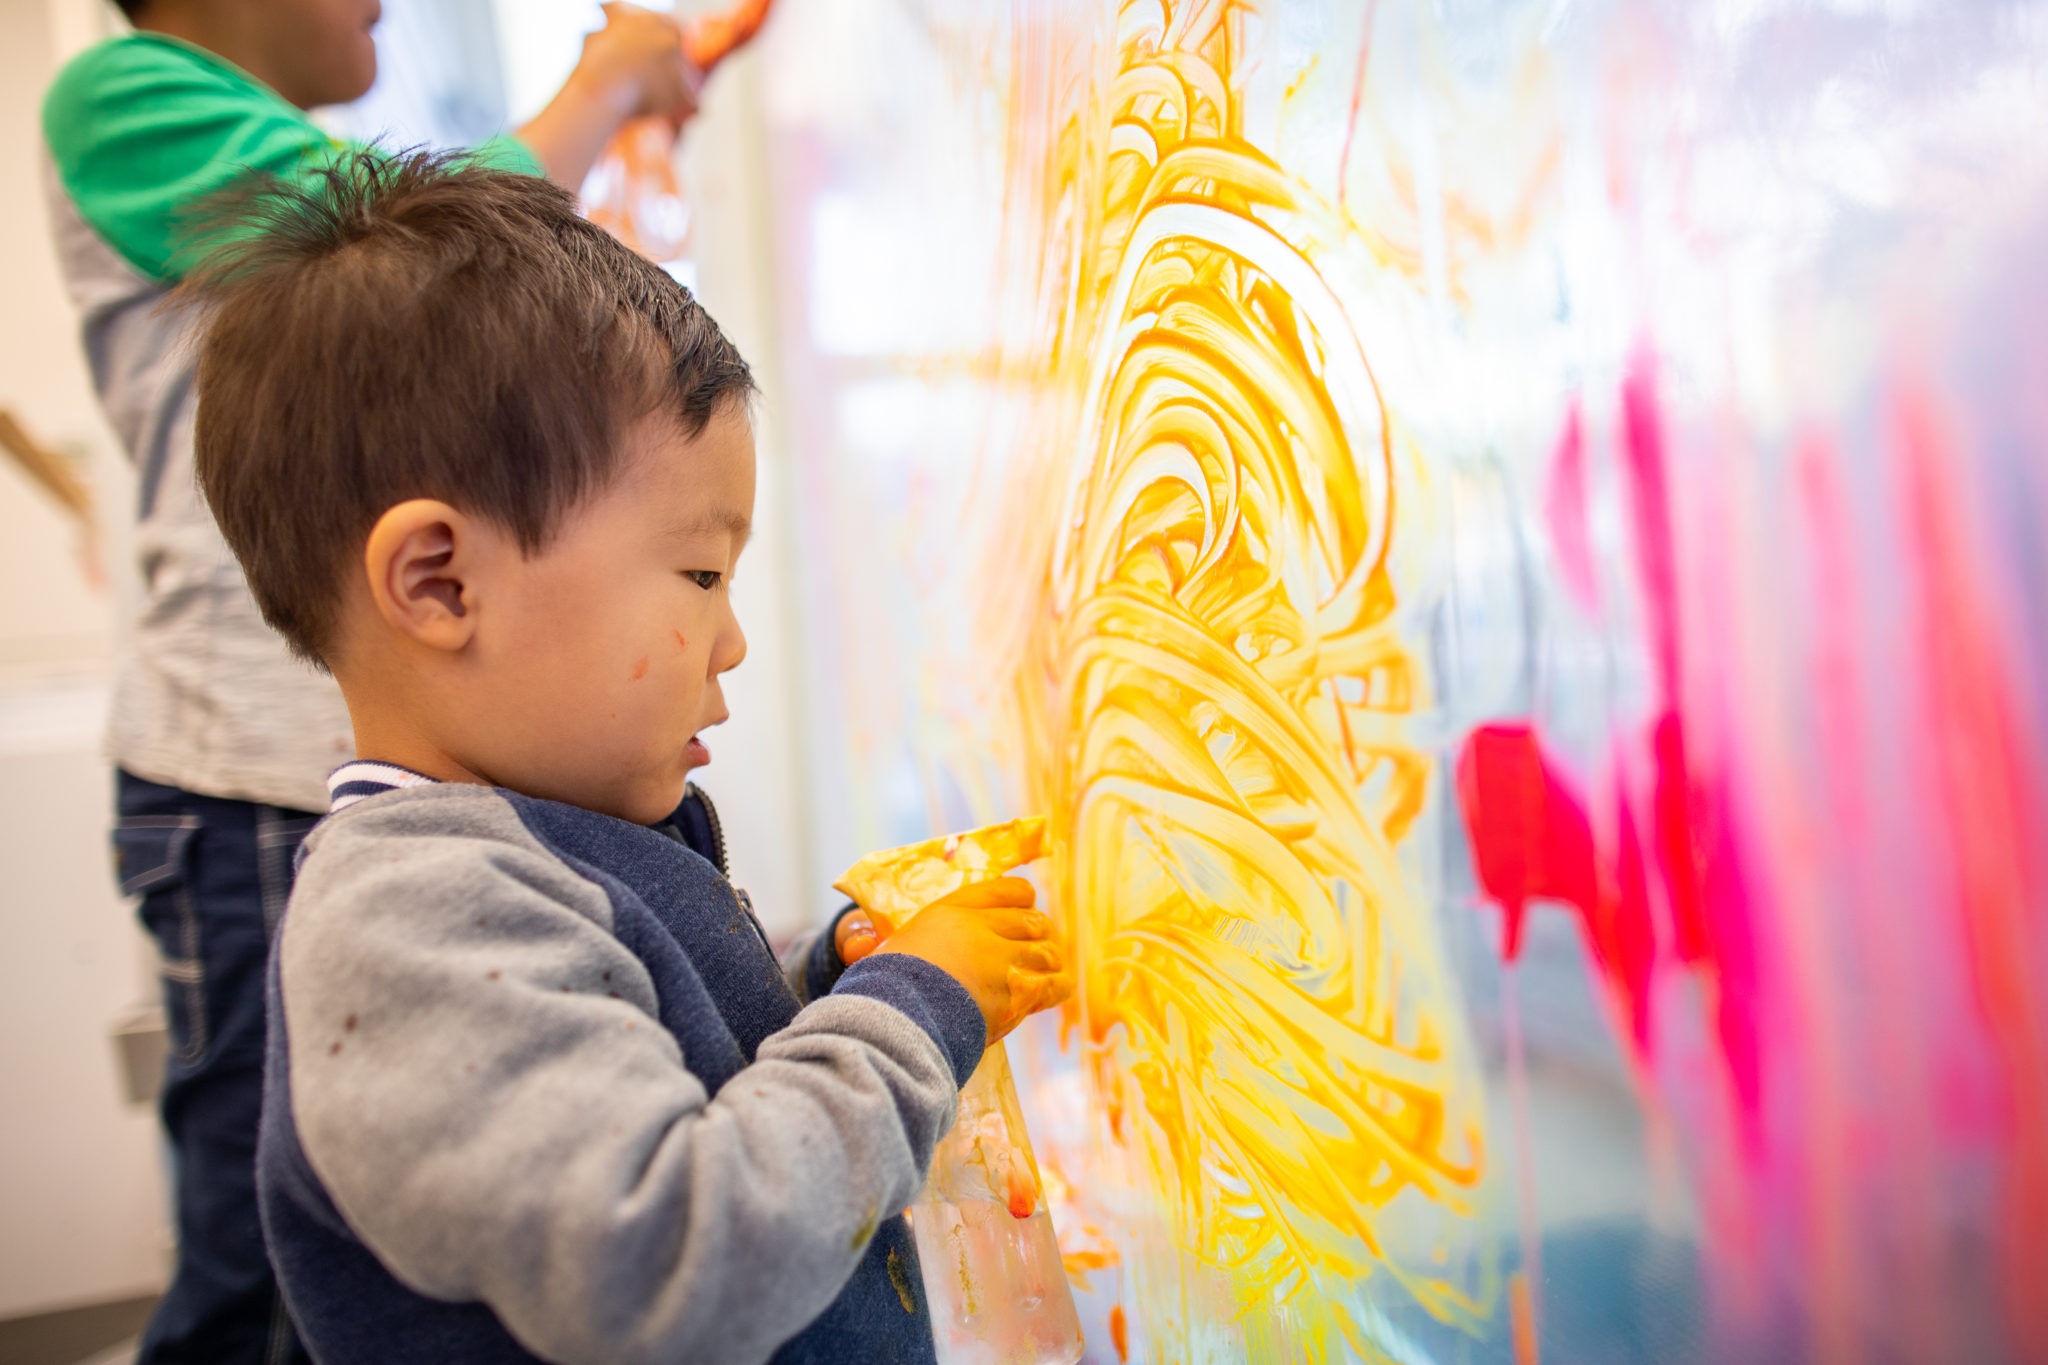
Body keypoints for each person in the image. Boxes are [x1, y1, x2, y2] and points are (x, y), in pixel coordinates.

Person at [181, 148, 1071, 1364]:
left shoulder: (543, 845)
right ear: (439, 583)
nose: (735, 639)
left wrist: (824, 978)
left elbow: (668, 1066)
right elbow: (668, 1260)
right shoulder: (416, 927)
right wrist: (915, 1010)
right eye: (699, 574)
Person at [40, 4, 702, 1360]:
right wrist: (608, 77)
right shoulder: (121, 92)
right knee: (257, 1263)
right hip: (249, 794)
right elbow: (447, 247)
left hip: (343, 782)